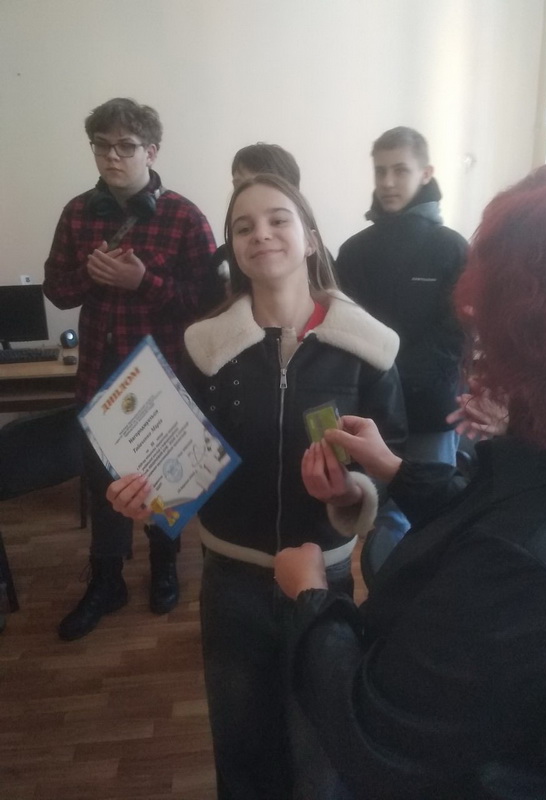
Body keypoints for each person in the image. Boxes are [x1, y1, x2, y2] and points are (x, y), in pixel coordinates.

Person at [274, 159, 546, 800]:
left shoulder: (529, 569)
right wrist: (396, 470)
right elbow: (499, 513)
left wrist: (310, 596)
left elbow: (372, 733)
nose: (476, 341)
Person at [107, 173, 407, 799]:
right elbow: (178, 457)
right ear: (234, 251)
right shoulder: (206, 347)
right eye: (243, 227)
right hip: (232, 578)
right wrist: (146, 496)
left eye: (277, 220)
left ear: (311, 239)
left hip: (321, 577)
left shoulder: (368, 348)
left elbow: (390, 464)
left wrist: (351, 497)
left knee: (321, 750)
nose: (261, 234)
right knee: (242, 749)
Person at [43, 98, 222, 641]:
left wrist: (144, 282)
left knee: (162, 482)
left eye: (125, 146)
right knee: (105, 487)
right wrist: (91, 276)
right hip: (98, 378)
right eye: (101, 145)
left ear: (152, 151)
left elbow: (211, 303)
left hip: (164, 381)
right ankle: (106, 581)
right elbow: (56, 288)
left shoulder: (185, 216)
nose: (111, 156)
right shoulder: (77, 213)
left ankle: (164, 567)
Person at [336, 126, 468, 465]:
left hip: (430, 412)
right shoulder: (352, 252)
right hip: (367, 411)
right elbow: (342, 329)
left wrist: (394, 377)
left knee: (432, 497)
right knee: (367, 498)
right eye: (380, 171)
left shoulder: (452, 248)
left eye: (400, 170)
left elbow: (456, 335)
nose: (388, 182)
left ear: (426, 173)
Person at [210, 142, 301, 291]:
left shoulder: (319, 261)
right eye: (239, 186)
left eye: (279, 221)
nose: (248, 192)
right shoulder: (223, 258)